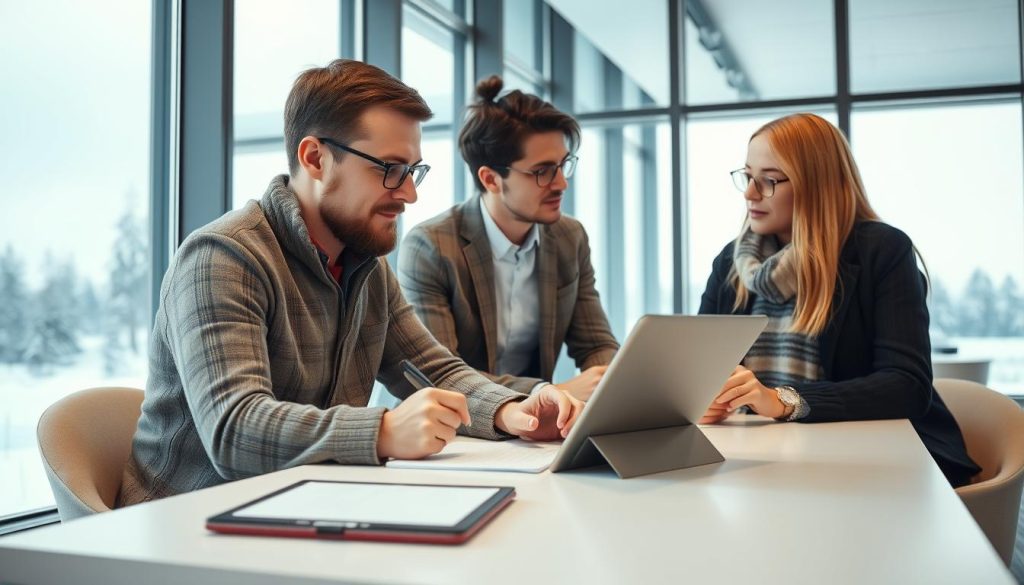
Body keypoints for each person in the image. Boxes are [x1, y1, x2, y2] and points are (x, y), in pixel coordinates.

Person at [117, 60, 583, 507]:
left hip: (300, 509)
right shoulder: (223, 257)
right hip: (185, 526)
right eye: (390, 169)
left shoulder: (366, 268)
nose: (409, 193)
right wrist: (382, 432)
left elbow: (435, 370)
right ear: (316, 158)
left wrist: (514, 411)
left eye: (413, 170)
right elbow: (234, 429)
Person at [697, 113, 980, 488]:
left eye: (768, 181)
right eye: (748, 177)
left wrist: (783, 400)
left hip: (876, 460)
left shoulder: (882, 250)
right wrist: (706, 396)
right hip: (761, 458)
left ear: (816, 185)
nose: (750, 193)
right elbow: (700, 373)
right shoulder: (730, 263)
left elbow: (906, 386)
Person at [398, 76, 618, 402]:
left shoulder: (570, 238)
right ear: (491, 179)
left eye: (562, 166)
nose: (561, 184)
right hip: (452, 430)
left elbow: (597, 344)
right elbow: (440, 376)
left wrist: (610, 383)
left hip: (533, 431)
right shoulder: (431, 247)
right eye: (543, 171)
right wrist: (547, 392)